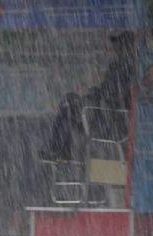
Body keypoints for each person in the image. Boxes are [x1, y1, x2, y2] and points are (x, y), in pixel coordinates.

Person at [43, 30, 136, 160]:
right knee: (69, 103)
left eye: (119, 45)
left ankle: (59, 151)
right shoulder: (123, 66)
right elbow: (110, 91)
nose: (115, 49)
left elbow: (111, 95)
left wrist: (95, 94)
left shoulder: (123, 67)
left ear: (125, 47)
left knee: (68, 109)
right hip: (103, 114)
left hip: (105, 119)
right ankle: (60, 151)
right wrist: (95, 91)